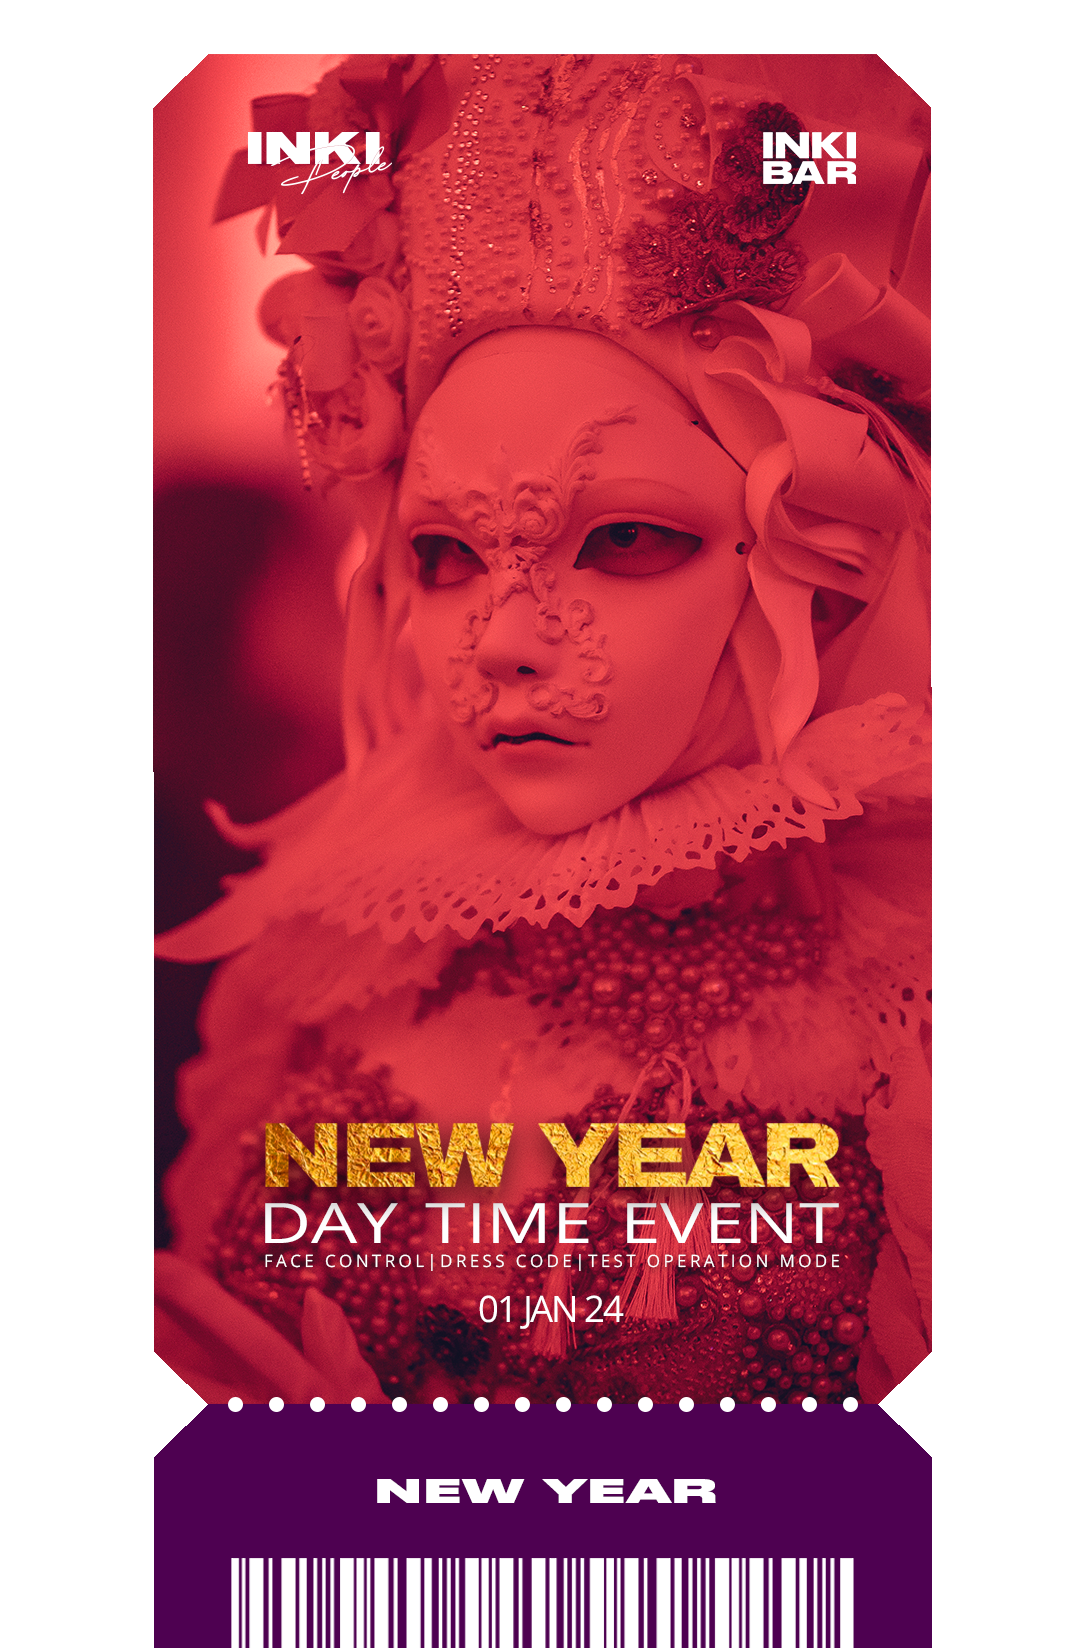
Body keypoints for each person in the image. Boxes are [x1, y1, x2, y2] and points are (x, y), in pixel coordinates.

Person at [156, 54, 930, 1408]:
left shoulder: (930, 995)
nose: (504, 639)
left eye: (624, 537)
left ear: (815, 563)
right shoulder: (325, 958)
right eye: (446, 555)